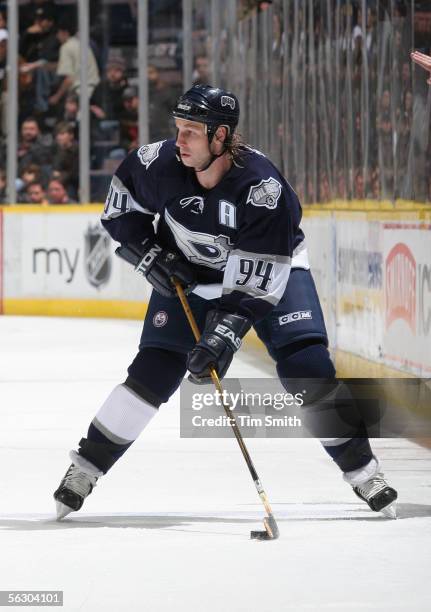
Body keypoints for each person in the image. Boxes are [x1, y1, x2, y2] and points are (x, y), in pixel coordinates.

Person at [53, 84, 397, 520]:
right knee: (152, 373)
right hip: (193, 279)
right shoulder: (156, 163)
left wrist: (224, 334)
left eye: (191, 132)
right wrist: (149, 254)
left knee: (306, 368)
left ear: (220, 137)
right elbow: (120, 213)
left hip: (274, 272)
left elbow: (256, 284)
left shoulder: (263, 190)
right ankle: (85, 467)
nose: (179, 141)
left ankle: (365, 472)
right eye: (178, 128)